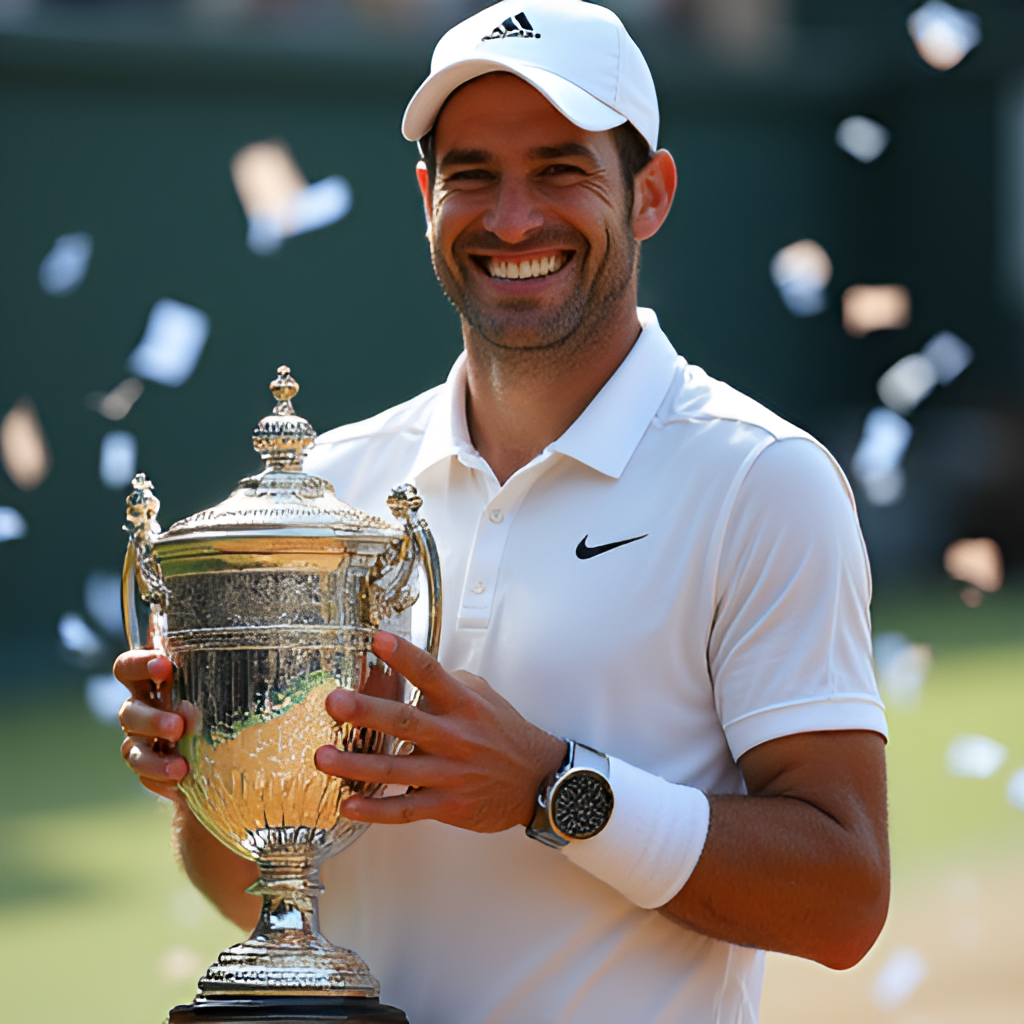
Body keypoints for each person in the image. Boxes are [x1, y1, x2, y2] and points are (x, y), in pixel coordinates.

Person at [115, 2, 890, 1021]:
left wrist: (550, 790)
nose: (513, 219)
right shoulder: (333, 486)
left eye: (562, 170)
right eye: (473, 174)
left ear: (648, 195)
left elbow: (841, 898)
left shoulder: (763, 478)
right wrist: (205, 771)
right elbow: (250, 889)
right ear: (428, 196)